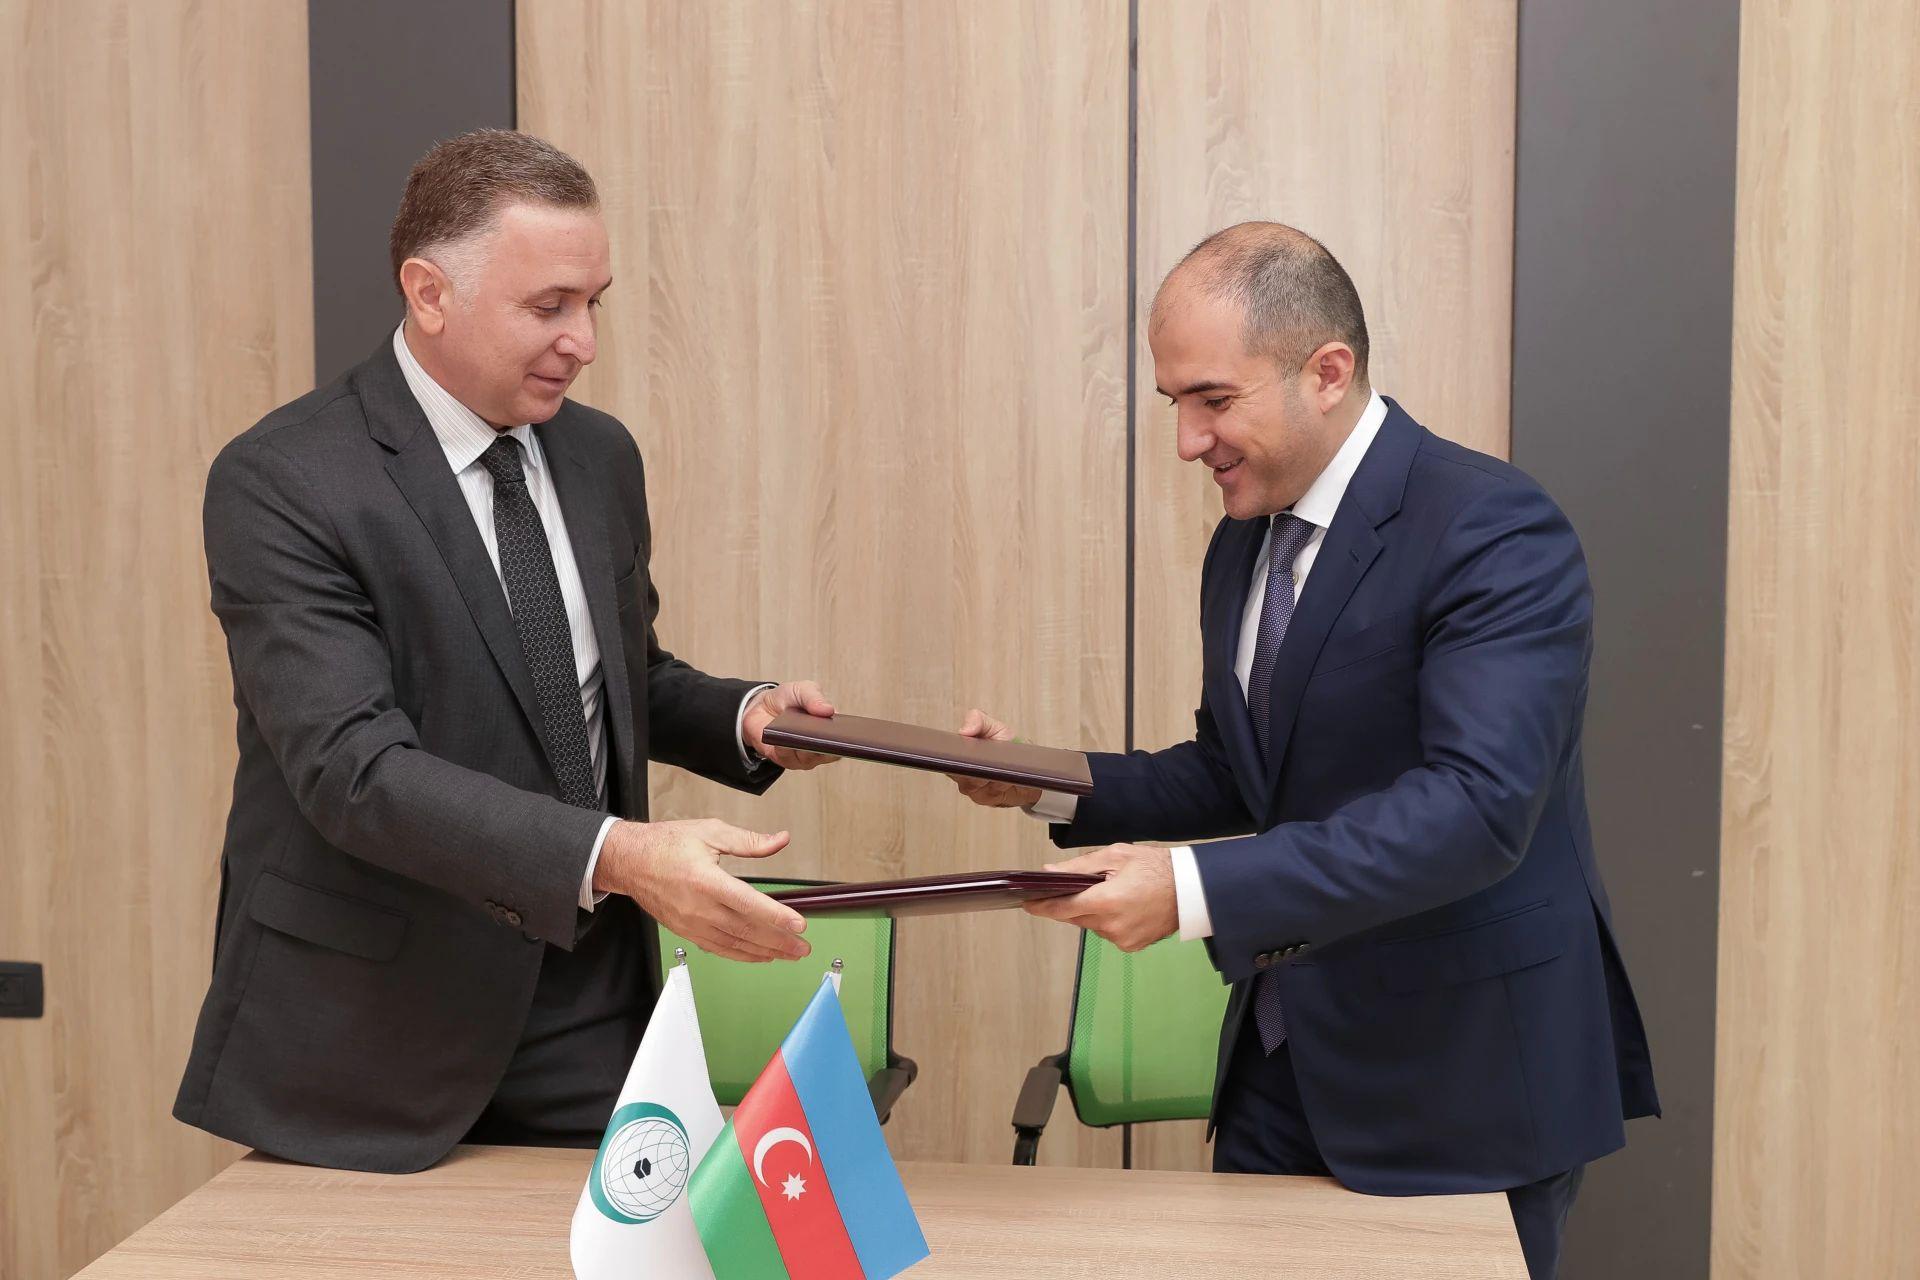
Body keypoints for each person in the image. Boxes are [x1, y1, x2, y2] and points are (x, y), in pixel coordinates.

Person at [953, 222, 1658, 1279]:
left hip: (1464, 1088)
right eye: (1174, 403)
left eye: (1212, 399)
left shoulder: (1493, 529)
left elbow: (1476, 808)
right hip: (1280, 1071)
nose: (1187, 441)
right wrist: (1043, 784)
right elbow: (1239, 770)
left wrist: (1190, 889)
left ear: (1327, 372)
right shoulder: (1244, 538)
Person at [174, 130, 836, 1173]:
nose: (584, 342)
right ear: (429, 292)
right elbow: (352, 770)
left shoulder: (599, 455)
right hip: (373, 1022)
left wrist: (748, 718)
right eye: (550, 306)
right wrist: (620, 854)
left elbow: (611, 679)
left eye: (595, 302)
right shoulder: (285, 479)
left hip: (590, 995)